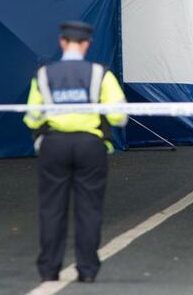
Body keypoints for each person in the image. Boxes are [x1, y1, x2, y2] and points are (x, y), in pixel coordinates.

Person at [23, 21, 128, 283]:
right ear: (86, 44)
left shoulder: (44, 75)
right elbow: (120, 117)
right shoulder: (100, 74)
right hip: (90, 146)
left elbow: (32, 118)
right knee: (89, 209)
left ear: (61, 42)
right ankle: (88, 270)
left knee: (52, 209)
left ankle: (49, 270)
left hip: (54, 146)